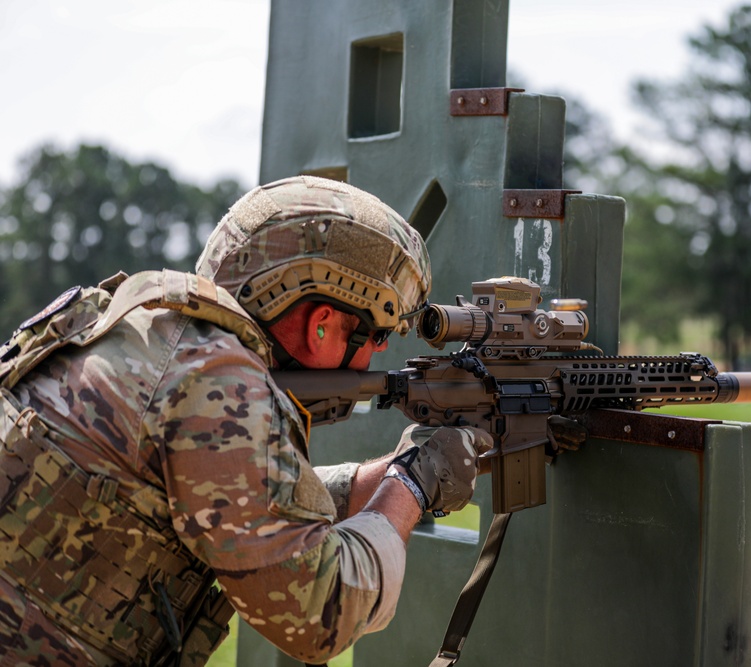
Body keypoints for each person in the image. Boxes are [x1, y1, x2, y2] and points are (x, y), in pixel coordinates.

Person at [0, 175, 492, 666]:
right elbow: (321, 615)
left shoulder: (140, 327)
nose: (380, 352)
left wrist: (389, 474)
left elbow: (234, 494)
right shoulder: (217, 382)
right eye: (377, 334)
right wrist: (412, 484)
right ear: (321, 325)